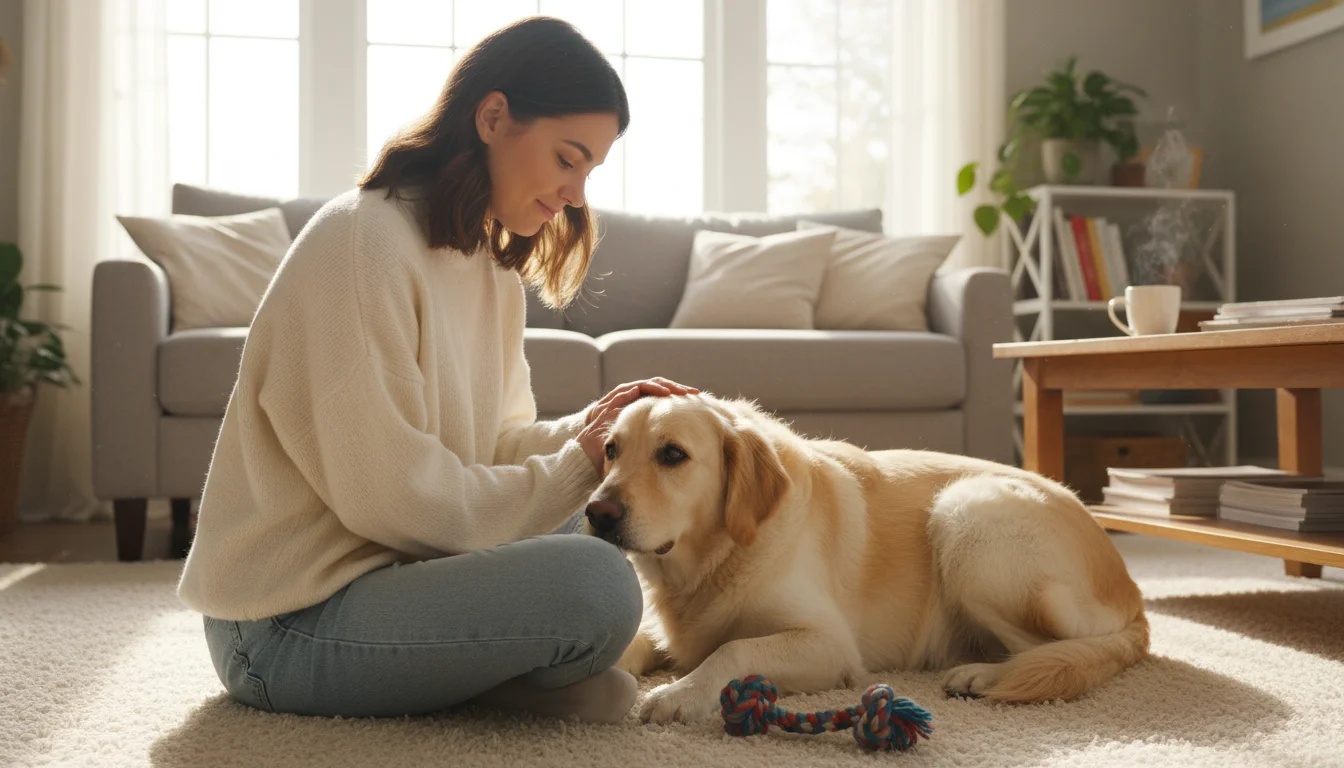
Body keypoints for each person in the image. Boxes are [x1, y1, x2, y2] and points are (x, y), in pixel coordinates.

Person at [176, 17, 697, 724]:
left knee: (608, 517)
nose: (575, 194)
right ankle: (494, 678)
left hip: (400, 575)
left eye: (589, 172)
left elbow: (494, 447)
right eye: (567, 159)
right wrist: (573, 469)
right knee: (597, 586)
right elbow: (393, 499)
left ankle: (478, 679)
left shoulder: (490, 268)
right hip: (284, 623)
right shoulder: (362, 241)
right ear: (492, 116)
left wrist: (597, 435)